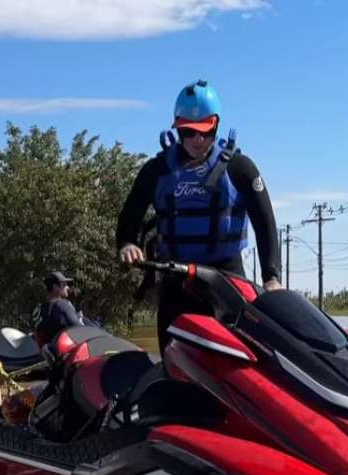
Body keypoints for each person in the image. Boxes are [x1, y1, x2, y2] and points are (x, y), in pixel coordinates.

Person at [116, 80, 281, 354]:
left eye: (205, 132)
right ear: (178, 127)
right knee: (175, 364)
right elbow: (130, 214)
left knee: (236, 364)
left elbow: (265, 223)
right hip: (176, 281)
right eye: (189, 132)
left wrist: (271, 276)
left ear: (216, 125)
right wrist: (127, 243)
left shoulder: (240, 168)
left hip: (227, 279)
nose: (197, 140)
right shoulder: (156, 170)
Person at [34, 271, 84, 346]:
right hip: (60, 352)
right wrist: (80, 319)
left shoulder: (39, 307)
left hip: (44, 352)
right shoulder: (62, 305)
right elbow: (79, 329)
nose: (68, 288)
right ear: (55, 287)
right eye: (64, 285)